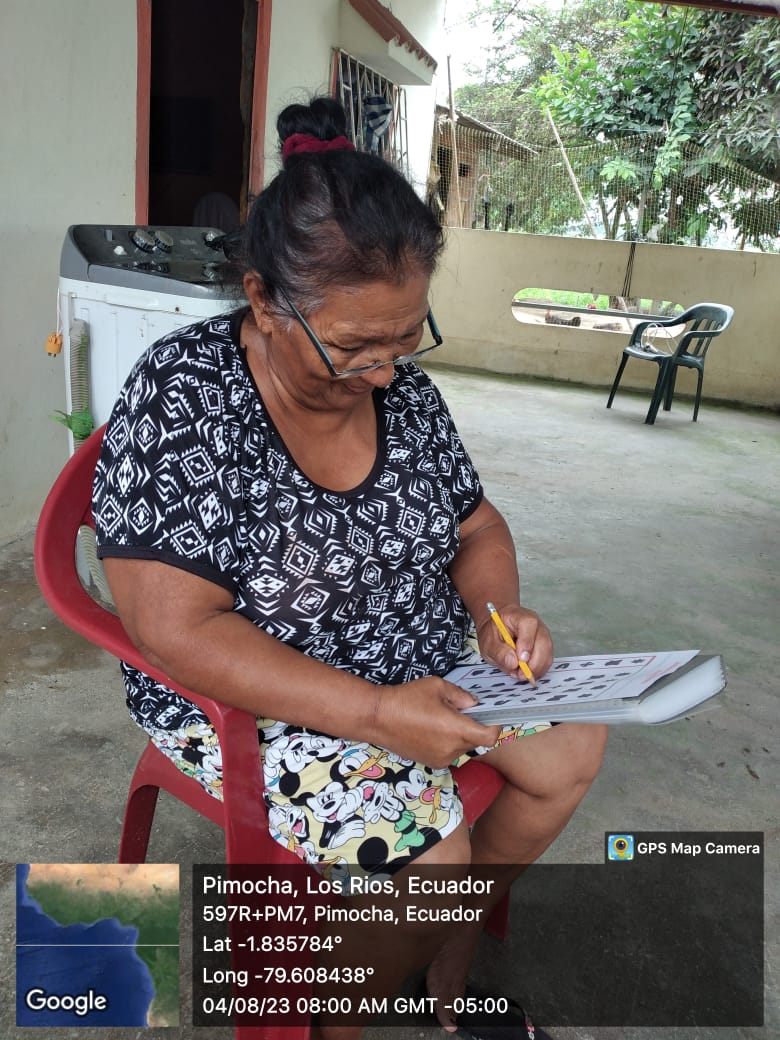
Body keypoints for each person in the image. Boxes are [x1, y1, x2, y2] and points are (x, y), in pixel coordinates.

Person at [93, 96, 607, 1040]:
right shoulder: (184, 395)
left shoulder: (405, 396)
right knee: (430, 861)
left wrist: (497, 619)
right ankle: (338, 1018)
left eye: (406, 340)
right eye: (355, 347)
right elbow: (173, 627)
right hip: (258, 695)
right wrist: (375, 714)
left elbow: (477, 527)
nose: (383, 375)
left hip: (414, 660)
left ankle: (435, 962)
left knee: (573, 748)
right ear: (262, 300)